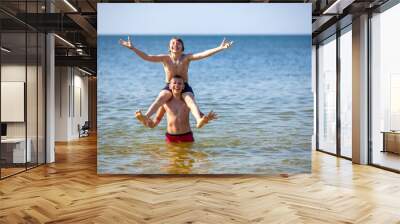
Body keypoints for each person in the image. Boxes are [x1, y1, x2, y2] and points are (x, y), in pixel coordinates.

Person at [120, 36, 232, 128]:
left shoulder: (187, 58)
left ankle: (199, 120)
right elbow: (147, 57)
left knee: (189, 100)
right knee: (161, 98)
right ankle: (146, 116)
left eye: (178, 43)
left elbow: (203, 54)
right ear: (169, 47)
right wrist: (133, 48)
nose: (175, 45)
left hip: (184, 86)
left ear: (182, 48)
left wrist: (220, 48)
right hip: (169, 86)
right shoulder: (165, 58)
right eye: (173, 43)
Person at [135, 75, 217, 143]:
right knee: (171, 162)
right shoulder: (165, 103)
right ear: (170, 86)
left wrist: (206, 119)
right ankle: (144, 118)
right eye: (174, 83)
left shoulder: (187, 102)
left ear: (183, 86)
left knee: (188, 160)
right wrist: (148, 123)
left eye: (180, 83)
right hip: (171, 137)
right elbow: (157, 119)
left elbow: (199, 114)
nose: (177, 85)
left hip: (186, 135)